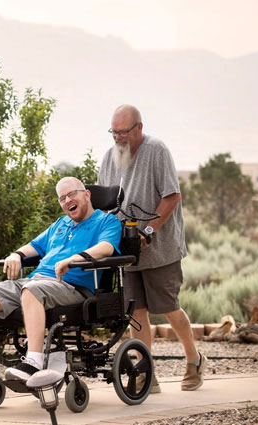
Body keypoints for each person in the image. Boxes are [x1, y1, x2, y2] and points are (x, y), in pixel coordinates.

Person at [0, 176, 122, 387]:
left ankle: (34, 363)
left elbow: (106, 248)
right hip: (38, 280)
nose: (67, 201)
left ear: (86, 194)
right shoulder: (60, 224)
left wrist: (75, 258)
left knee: (31, 290)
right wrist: (16, 254)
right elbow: (35, 246)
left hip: (72, 286)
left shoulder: (106, 221)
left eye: (71, 194)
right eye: (62, 198)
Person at [97, 104, 206, 392]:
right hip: (126, 251)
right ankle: (147, 374)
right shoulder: (110, 157)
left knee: (169, 309)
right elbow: (104, 202)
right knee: (138, 313)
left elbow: (172, 197)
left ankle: (194, 361)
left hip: (160, 249)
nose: (117, 138)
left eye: (123, 132)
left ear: (139, 128)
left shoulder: (157, 151)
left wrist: (148, 231)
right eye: (114, 132)